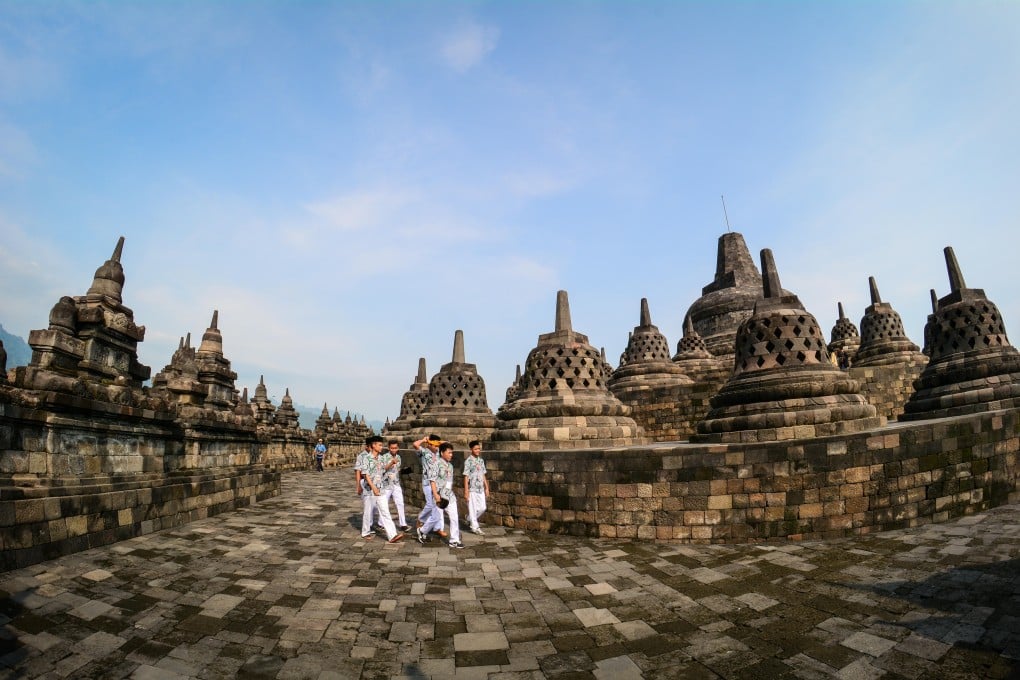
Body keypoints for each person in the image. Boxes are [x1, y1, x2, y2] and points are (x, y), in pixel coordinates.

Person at [356, 436, 404, 543]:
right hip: (369, 489)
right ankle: (365, 532)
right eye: (380, 445)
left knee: (385, 511)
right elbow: (365, 474)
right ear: (373, 445)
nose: (382, 447)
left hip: (381, 488)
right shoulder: (366, 458)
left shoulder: (381, 458)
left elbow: (383, 469)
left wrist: (391, 463)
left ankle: (392, 535)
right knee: (368, 511)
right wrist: (373, 487)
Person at [421, 442, 463, 549]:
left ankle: (454, 540)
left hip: (449, 495)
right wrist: (435, 495)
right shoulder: (436, 464)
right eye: (449, 453)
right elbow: (432, 480)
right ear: (442, 453)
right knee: (435, 518)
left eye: (452, 453)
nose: (451, 455)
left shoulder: (450, 466)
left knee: (454, 517)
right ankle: (422, 531)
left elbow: (449, 481)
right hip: (439, 495)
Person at [413, 434, 444, 542]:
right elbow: (415, 444)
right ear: (429, 444)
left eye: (437, 445)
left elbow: (448, 444)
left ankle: (430, 528)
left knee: (436, 506)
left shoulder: (439, 452)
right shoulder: (424, 452)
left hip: (436, 483)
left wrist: (438, 442)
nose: (436, 447)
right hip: (427, 482)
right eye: (434, 445)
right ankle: (421, 520)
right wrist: (424, 440)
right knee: (430, 504)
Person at [463, 440, 489, 535]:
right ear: (471, 449)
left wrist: (487, 487)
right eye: (476, 449)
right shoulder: (468, 461)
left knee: (483, 507)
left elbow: (483, 474)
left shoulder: (481, 460)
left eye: (479, 448)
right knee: (473, 508)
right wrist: (466, 491)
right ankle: (475, 527)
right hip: (472, 488)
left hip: (480, 488)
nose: (478, 450)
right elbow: (466, 476)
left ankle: (469, 518)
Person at [384, 440, 410, 532]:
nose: (393, 450)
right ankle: (381, 523)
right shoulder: (384, 457)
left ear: (398, 448)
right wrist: (391, 463)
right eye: (392, 448)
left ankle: (403, 524)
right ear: (388, 448)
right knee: (384, 504)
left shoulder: (399, 457)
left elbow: (397, 469)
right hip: (387, 484)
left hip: (396, 483)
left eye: (395, 448)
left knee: (400, 503)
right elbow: (383, 469)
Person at [354, 439, 376, 534]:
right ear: (367, 446)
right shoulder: (362, 456)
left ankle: (369, 525)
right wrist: (358, 485)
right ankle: (366, 529)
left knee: (374, 506)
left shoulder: (375, 456)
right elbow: (358, 471)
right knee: (368, 506)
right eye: (371, 447)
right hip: (365, 483)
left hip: (374, 483)